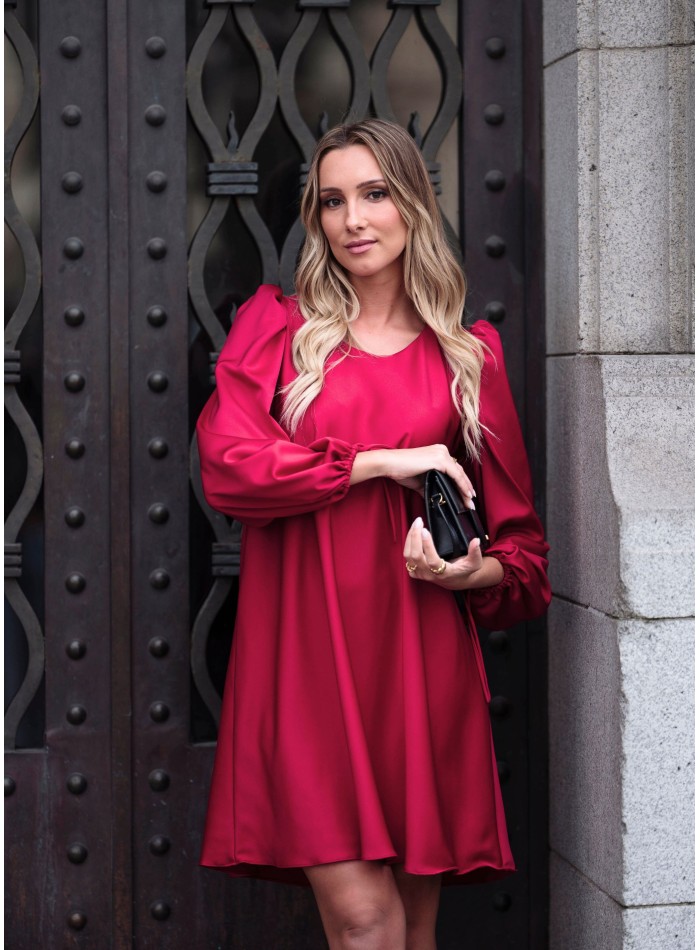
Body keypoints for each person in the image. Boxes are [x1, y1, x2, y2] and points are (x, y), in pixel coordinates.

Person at [196, 118, 551, 950]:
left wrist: (468, 576)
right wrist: (384, 462)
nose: (352, 219)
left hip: (419, 668)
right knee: (365, 926)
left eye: (374, 194)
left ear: (413, 205)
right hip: (305, 666)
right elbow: (231, 467)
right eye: (330, 201)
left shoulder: (469, 358)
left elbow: (524, 558)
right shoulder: (278, 330)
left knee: (410, 935)